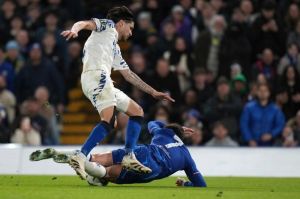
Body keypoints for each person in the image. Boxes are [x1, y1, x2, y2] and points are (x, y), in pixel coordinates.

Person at [60, 6, 174, 178]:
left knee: (137, 112)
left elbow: (128, 75)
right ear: (121, 23)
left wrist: (153, 92)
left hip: (103, 80)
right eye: (130, 28)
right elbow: (84, 23)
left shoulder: (114, 47)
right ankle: (81, 156)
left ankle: (128, 155)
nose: (131, 33)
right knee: (109, 119)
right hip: (96, 75)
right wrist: (74, 30)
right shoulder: (107, 26)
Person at [30, 120, 207, 188]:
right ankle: (96, 175)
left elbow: (153, 122)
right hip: (151, 168)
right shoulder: (187, 158)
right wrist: (185, 184)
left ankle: (70, 155)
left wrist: (175, 127)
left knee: (99, 158)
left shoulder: (162, 132)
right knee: (108, 173)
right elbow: (202, 185)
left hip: (141, 151)